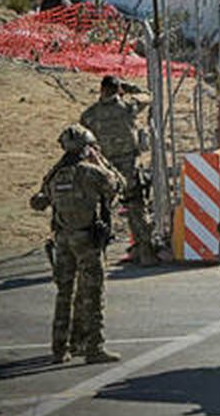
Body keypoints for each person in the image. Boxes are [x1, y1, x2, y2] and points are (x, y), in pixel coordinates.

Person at [31, 123, 124, 364]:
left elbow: (40, 200)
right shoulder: (90, 172)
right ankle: (94, 347)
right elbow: (117, 185)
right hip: (87, 240)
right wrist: (100, 161)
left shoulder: (55, 175)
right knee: (93, 294)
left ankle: (60, 349)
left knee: (64, 294)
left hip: (62, 240)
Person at [79, 75, 157, 266]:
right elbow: (148, 95)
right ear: (118, 90)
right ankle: (145, 252)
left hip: (103, 169)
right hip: (128, 165)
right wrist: (128, 87)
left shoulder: (89, 115)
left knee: (100, 211)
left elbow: (83, 141)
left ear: (101, 89)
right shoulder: (128, 107)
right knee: (136, 207)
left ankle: (97, 255)